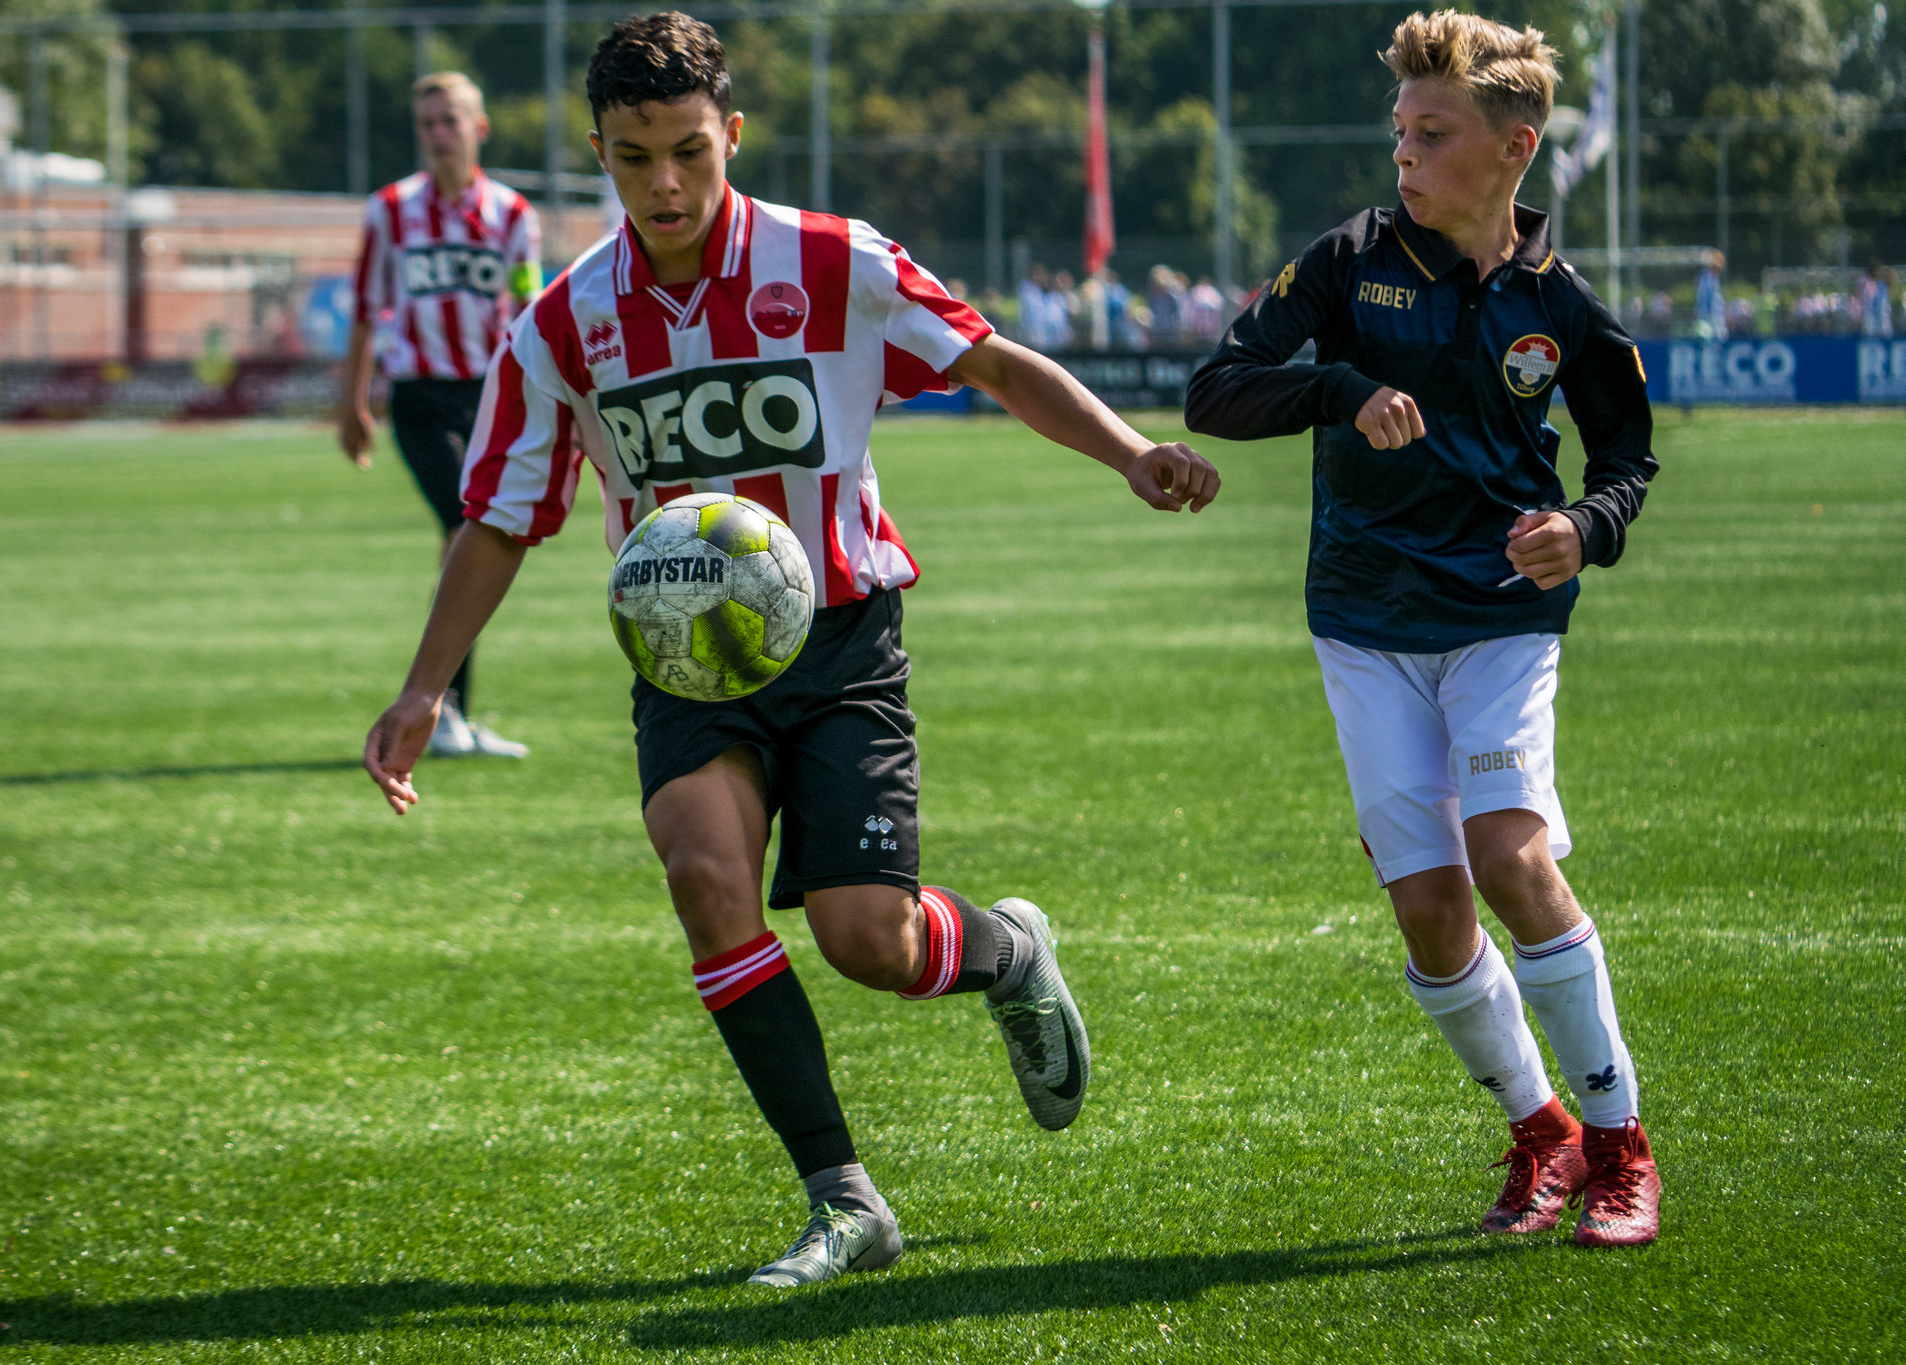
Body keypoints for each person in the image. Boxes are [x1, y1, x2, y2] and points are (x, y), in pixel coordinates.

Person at [362, 12, 1220, 1287]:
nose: (664, 184)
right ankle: (844, 1199)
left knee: (867, 939)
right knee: (703, 876)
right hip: (684, 662)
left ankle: (1008, 954)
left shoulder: (831, 261)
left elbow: (988, 363)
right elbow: (496, 518)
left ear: (732, 135)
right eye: (634, 157)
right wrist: (424, 688)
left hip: (838, 639)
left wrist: (1130, 452)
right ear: (597, 152)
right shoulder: (560, 323)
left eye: (688, 152)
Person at [1184, 9, 1661, 1248]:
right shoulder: (1347, 260)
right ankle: (1539, 1132)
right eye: (1398, 130)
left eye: (1431, 132)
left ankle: (1618, 1144)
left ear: (1514, 146)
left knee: (1509, 857)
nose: (1403, 153)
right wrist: (1339, 391)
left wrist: (1586, 528)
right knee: (1430, 915)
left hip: (1500, 615)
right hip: (1361, 620)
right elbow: (1214, 391)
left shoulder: (1559, 302)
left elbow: (1624, 455)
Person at [340, 71, 540, 759]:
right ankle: (442, 709)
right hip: (420, 397)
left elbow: (528, 308)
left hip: (487, 395)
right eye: (426, 123)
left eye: (449, 120)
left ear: (478, 128)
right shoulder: (390, 211)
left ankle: (447, 710)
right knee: (466, 527)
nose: (437, 134)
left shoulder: (512, 214)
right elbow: (366, 309)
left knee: (467, 536)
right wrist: (352, 403)